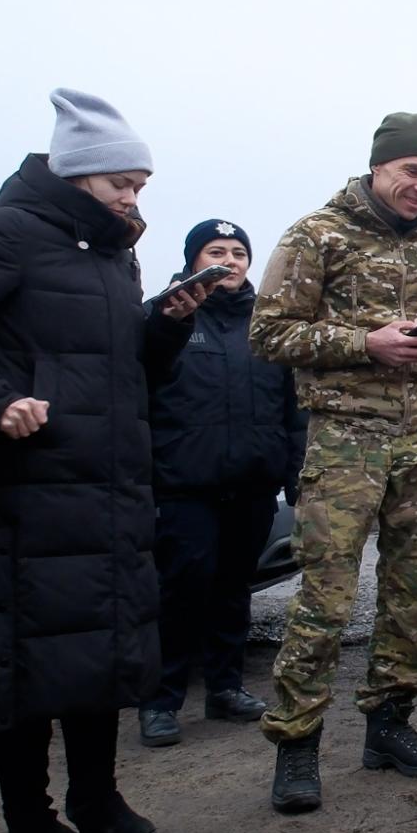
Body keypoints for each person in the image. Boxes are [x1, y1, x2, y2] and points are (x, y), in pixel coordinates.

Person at [0, 89, 208, 833]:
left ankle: (98, 799)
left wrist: (164, 326)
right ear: (75, 175)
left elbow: (118, 367)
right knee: (29, 658)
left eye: (140, 185)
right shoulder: (11, 233)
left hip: (107, 482)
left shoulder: (110, 253)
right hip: (28, 483)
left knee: (99, 648)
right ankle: (31, 818)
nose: (133, 199)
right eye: (120, 184)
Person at [250, 114, 417, 814]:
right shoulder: (317, 234)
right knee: (325, 598)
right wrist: (365, 342)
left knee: (412, 590)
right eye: (413, 170)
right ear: (378, 167)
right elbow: (268, 332)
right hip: (347, 436)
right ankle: (297, 743)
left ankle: (389, 724)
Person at [138, 219, 303, 747]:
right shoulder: (163, 319)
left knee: (233, 589)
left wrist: (296, 477)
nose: (229, 261)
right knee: (180, 589)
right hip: (185, 483)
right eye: (216, 251)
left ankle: (225, 687)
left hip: (253, 482)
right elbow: (139, 389)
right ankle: (159, 700)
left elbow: (294, 410)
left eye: (238, 253)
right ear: (192, 260)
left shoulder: (269, 325)